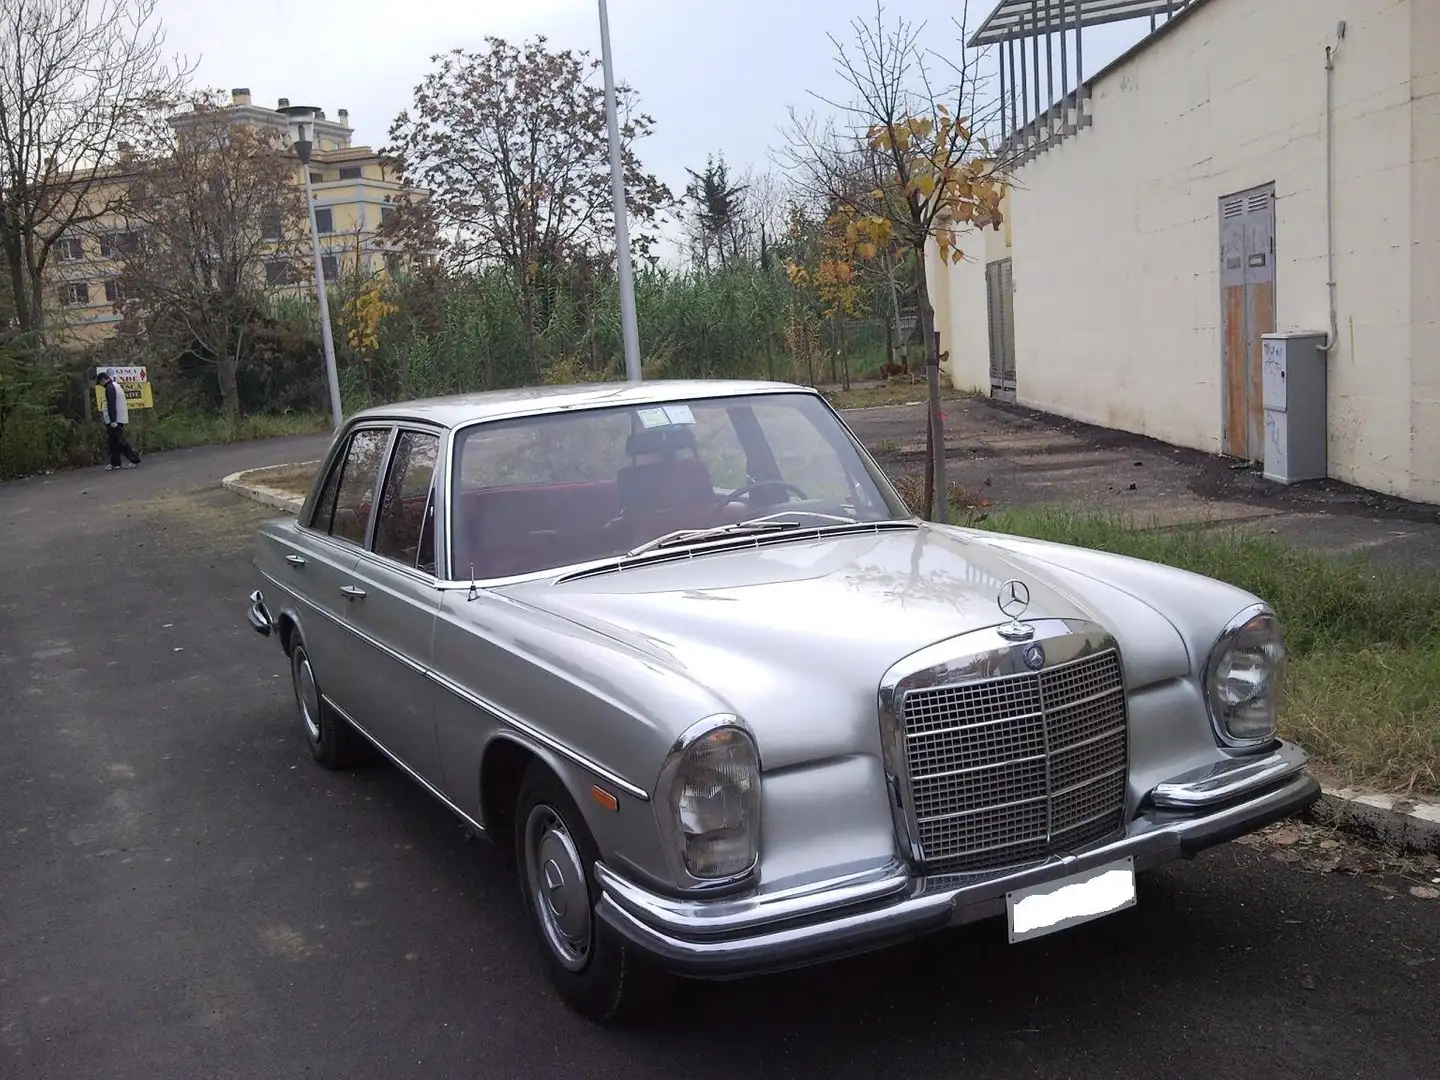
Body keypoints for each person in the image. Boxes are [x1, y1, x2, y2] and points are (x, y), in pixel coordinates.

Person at [96, 370, 141, 470]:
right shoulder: (116, 386)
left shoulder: (110, 388)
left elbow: (111, 405)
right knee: (114, 442)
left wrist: (113, 420)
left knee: (120, 441)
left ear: (103, 379)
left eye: (100, 383)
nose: (101, 385)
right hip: (118, 418)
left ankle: (134, 459)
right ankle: (115, 463)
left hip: (115, 420)